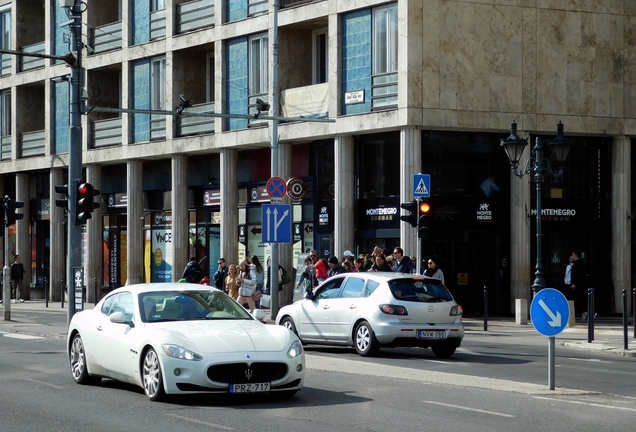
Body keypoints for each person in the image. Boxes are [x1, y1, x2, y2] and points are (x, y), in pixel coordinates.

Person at [569, 251, 589, 320]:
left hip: (578, 285)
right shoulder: (577, 264)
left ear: (575, 255)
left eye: (572, 255)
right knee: (577, 299)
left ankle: (585, 312)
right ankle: (584, 312)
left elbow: (580, 274)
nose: (571, 257)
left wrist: (575, 283)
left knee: (576, 299)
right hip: (577, 285)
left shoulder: (579, 264)